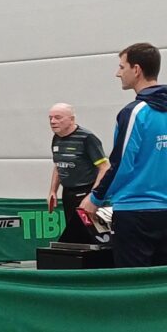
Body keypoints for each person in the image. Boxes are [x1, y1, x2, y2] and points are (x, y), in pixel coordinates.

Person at [82, 43, 167, 267]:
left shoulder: (134, 112)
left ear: (136, 69)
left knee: (134, 282)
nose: (117, 73)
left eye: (122, 67)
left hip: (135, 214)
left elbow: (121, 164)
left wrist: (95, 198)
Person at [46, 103, 109, 244]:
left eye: (58, 117)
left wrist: (93, 195)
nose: (53, 122)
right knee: (73, 232)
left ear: (71, 119)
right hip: (68, 192)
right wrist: (53, 191)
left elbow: (105, 167)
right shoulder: (56, 138)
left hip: (86, 191)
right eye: (50, 118)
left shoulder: (87, 138)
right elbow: (58, 164)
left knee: (91, 234)